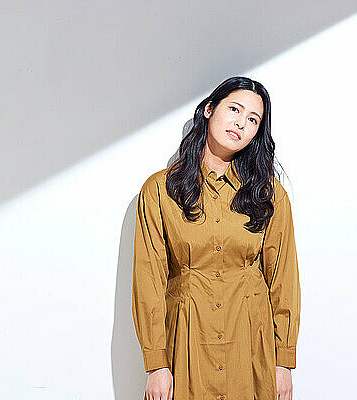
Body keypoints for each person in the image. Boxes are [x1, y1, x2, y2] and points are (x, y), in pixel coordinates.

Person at [131, 76, 301, 400]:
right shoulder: (160, 191)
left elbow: (284, 281)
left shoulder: (269, 195)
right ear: (209, 109)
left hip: (252, 350)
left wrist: (284, 362)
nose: (241, 123)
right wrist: (156, 364)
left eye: (253, 119)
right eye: (234, 109)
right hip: (186, 348)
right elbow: (147, 281)